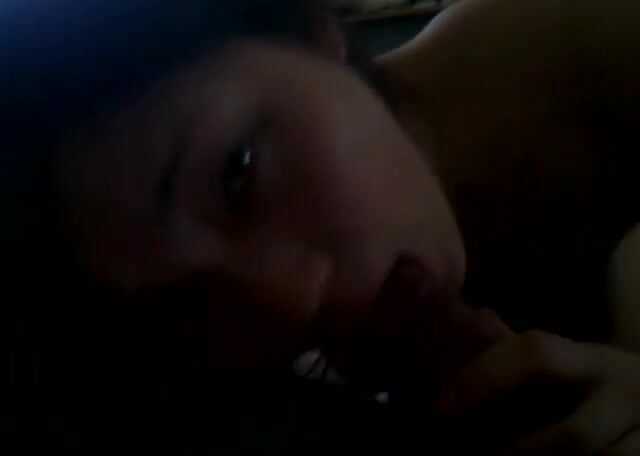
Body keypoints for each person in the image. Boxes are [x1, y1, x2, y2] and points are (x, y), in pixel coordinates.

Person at [4, 0, 640, 453]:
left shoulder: (598, 41)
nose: (292, 301)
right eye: (185, 307)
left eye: (238, 174)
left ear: (311, 30)